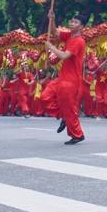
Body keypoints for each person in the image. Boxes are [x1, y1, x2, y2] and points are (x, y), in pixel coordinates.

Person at [41, 13, 87, 144]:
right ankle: (64, 116)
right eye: (71, 21)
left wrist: (52, 48)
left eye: (75, 22)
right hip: (62, 78)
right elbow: (55, 32)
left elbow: (64, 56)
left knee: (70, 109)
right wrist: (53, 19)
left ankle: (78, 135)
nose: (72, 23)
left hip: (71, 81)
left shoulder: (78, 41)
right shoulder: (69, 37)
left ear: (82, 27)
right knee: (45, 97)